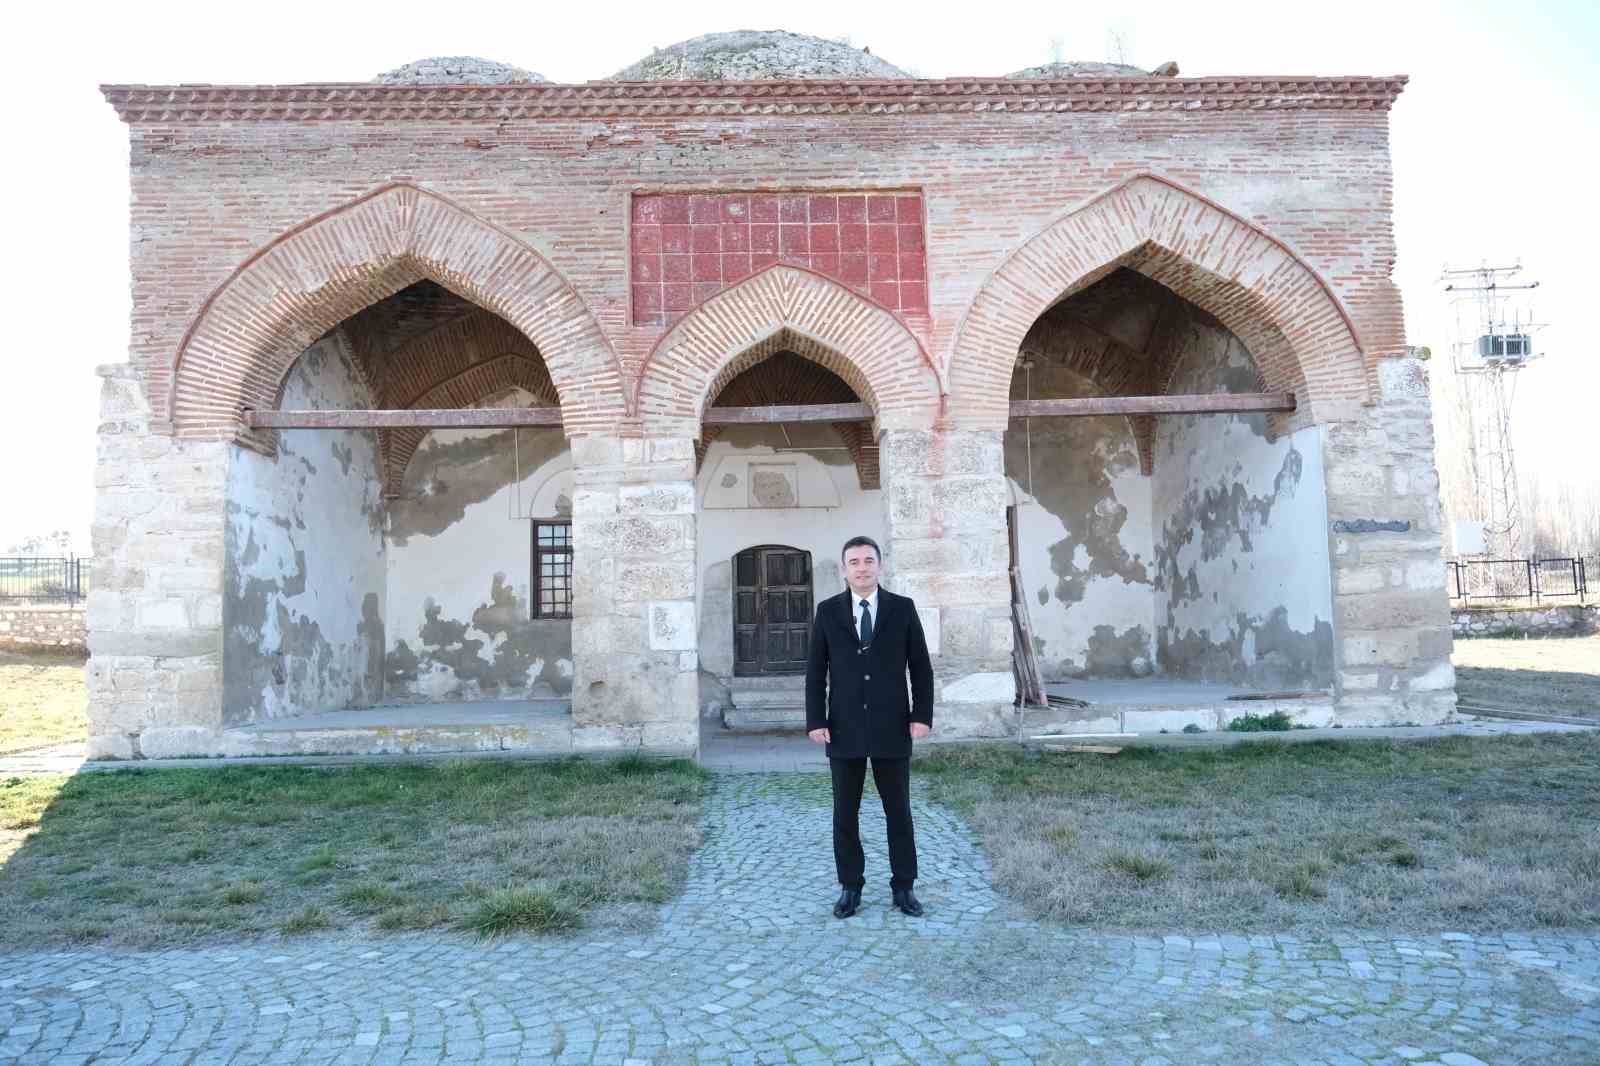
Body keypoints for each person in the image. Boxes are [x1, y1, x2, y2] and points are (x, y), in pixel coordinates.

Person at [805, 535, 934, 919]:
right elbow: (816, 671)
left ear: (880, 565)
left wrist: (921, 716)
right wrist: (816, 720)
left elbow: (921, 668)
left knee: (899, 811)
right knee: (845, 812)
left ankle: (904, 887)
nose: (862, 568)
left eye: (868, 560)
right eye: (854, 562)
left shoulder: (903, 609)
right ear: (844, 569)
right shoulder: (828, 612)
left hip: (892, 726)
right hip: (843, 729)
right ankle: (850, 886)